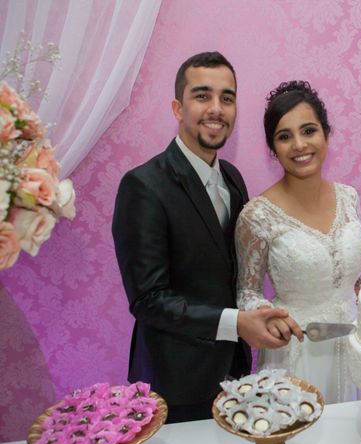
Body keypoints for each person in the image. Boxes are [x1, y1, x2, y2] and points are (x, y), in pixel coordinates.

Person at [112, 52, 302, 423]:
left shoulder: (232, 177)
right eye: (202, 95)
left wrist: (259, 314)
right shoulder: (143, 186)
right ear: (178, 107)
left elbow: (232, 271)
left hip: (235, 373)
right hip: (176, 383)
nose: (216, 108)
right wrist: (237, 323)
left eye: (226, 98)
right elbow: (148, 299)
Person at [234, 81, 361, 403]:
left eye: (308, 131)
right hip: (297, 352)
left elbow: (356, 278)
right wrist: (267, 317)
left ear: (325, 134)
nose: (299, 144)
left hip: (359, 346)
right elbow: (247, 293)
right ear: (273, 148)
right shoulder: (256, 216)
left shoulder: (349, 198)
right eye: (284, 136)